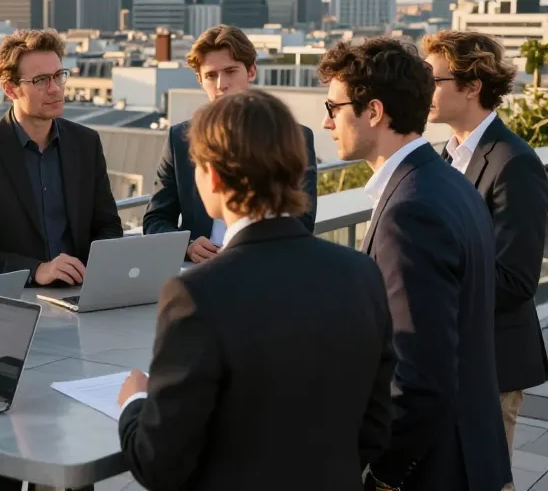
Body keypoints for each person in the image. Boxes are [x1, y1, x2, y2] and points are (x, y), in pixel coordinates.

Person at [116, 90, 394, 490]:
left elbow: (158, 463)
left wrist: (134, 402)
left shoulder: (195, 295)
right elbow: (375, 427)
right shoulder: (361, 273)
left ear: (211, 176)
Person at [318, 37, 511, 491]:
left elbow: (421, 378)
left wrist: (384, 476)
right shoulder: (446, 180)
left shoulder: (410, 210)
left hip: (436, 469)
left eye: (334, 106)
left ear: (375, 112)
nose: (327, 121)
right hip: (471, 452)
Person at [0, 28, 122, 491]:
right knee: (1, 465)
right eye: (41, 80)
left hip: (75, 322)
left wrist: (95, 276)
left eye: (59, 76)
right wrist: (36, 270)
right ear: (11, 88)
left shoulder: (86, 144)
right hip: (6, 325)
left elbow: (107, 228)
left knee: (70, 451)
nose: (56, 89)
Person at [424, 30, 548, 456]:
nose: (426, 90)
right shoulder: (448, 155)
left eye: (434, 80)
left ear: (472, 86)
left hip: (492, 363)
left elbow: (515, 278)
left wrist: (428, 285)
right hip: (450, 357)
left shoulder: (514, 163)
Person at [143, 25, 318, 262]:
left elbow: (302, 219)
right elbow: (155, 220)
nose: (221, 84)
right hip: (199, 271)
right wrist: (187, 245)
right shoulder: (180, 139)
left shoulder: (294, 136)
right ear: (199, 79)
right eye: (211, 75)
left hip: (267, 265)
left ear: (251, 71)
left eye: (230, 71)